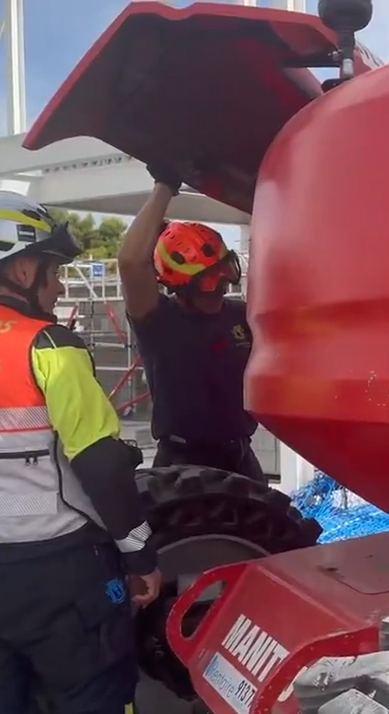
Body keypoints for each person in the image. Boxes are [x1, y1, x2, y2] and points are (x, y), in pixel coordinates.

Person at [0, 192, 162, 714]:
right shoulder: (47, 345)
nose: (59, 285)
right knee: (92, 709)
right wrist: (139, 556)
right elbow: (101, 464)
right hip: (63, 576)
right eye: (53, 271)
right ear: (24, 268)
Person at [117, 166, 265, 479]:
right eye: (207, 283)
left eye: (224, 277)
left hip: (240, 457)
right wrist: (164, 186)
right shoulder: (159, 322)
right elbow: (131, 262)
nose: (220, 289)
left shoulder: (241, 315)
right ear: (179, 286)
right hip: (182, 465)